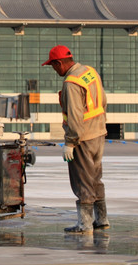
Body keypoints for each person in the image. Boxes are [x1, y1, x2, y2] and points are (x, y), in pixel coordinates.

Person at [42, 45, 109, 234]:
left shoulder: (71, 83)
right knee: (96, 178)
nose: (54, 70)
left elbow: (75, 115)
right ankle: (102, 219)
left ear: (59, 63)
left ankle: (85, 224)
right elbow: (103, 101)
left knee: (82, 180)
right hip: (98, 134)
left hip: (83, 138)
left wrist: (70, 143)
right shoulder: (89, 72)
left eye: (53, 66)